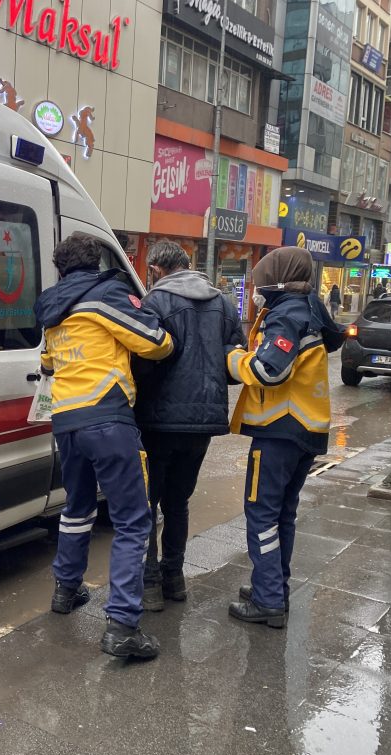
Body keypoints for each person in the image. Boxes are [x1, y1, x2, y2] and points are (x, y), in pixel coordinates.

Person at [34, 233, 174, 658]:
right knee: (133, 520)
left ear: (61, 268)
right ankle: (122, 625)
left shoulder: (53, 308)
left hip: (66, 421)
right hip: (108, 417)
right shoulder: (106, 295)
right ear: (96, 262)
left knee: (77, 508)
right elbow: (156, 343)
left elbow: (47, 362)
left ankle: (66, 590)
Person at [225, 247, 345, 628]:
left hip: (279, 431)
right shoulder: (309, 307)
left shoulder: (287, 314)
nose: (256, 289)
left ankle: (268, 600)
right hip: (307, 430)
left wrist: (232, 358)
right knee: (282, 515)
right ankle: (274, 587)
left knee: (261, 514)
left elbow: (268, 371)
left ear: (277, 280)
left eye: (260, 281)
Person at [132, 242, 245, 611]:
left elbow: (143, 362)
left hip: (157, 421)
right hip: (203, 423)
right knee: (177, 502)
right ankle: (174, 579)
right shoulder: (223, 304)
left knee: (147, 504)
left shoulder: (155, 302)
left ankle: (150, 585)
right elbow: (234, 365)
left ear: (157, 270)